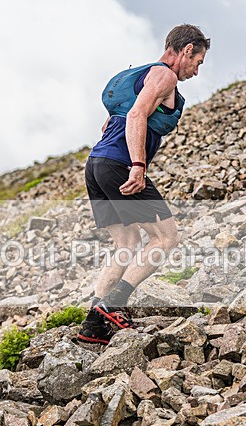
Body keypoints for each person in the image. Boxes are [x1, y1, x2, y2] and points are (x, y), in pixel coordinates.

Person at [78, 25, 210, 344]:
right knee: (166, 238)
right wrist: (138, 166)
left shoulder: (133, 77)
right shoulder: (164, 76)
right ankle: (114, 303)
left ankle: (93, 326)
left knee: (126, 244)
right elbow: (137, 115)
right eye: (198, 62)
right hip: (121, 164)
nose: (196, 71)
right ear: (187, 50)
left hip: (96, 164)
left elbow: (110, 124)